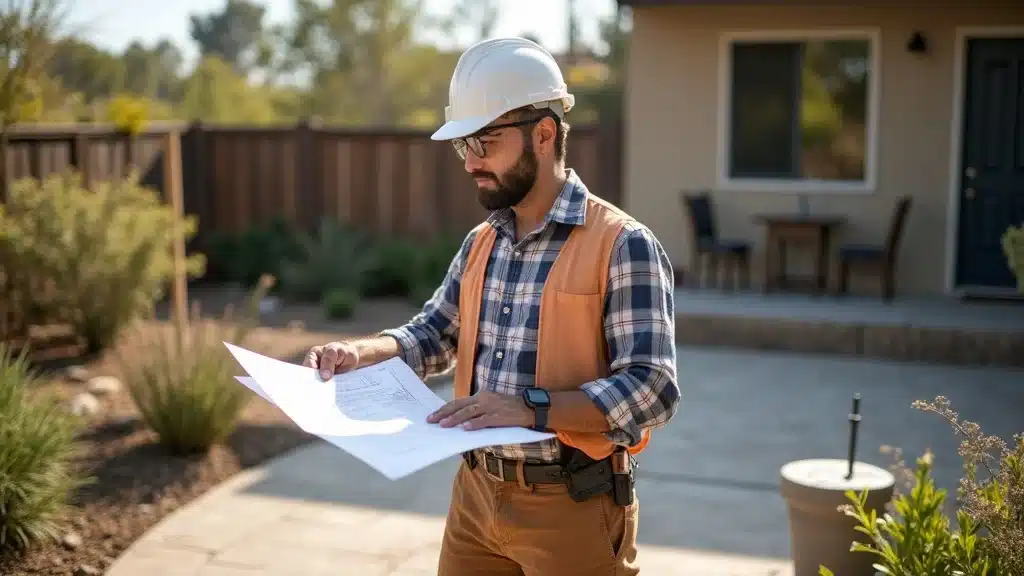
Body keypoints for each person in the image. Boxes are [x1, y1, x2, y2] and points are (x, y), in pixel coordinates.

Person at [304, 36, 679, 576]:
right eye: (464, 147)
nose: (470, 163)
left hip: (573, 507)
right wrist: (360, 353)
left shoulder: (623, 244)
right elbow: (435, 333)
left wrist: (532, 406)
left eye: (486, 143)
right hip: (475, 502)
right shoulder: (483, 241)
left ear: (544, 135)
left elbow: (653, 388)